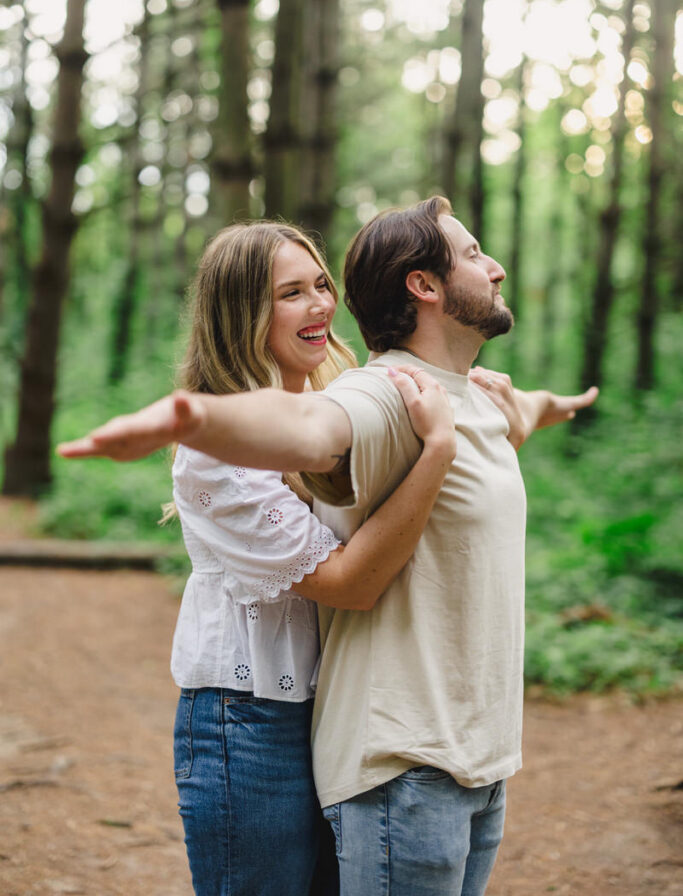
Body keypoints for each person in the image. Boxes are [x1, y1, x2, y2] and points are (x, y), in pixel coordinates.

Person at [59, 198, 598, 896]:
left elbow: (503, 415)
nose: (319, 304)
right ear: (245, 315)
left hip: (323, 705)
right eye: (290, 293)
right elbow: (346, 573)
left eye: (320, 285)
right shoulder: (231, 454)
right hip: (246, 717)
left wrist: (539, 403)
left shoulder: (356, 393)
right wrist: (187, 419)